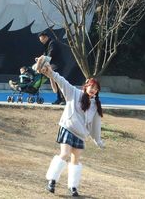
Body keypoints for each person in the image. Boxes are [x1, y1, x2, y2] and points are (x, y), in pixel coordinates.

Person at [36, 56, 105, 197]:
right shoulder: (74, 93)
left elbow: (95, 125)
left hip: (80, 134)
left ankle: (73, 187)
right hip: (68, 127)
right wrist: (50, 72)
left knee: (76, 160)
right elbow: (61, 81)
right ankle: (52, 181)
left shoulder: (95, 105)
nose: (93, 90)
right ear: (86, 87)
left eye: (96, 89)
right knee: (65, 154)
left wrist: (98, 140)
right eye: (92, 87)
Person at [38, 31, 65, 105]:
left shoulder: (52, 43)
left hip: (57, 65)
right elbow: (45, 55)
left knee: (58, 82)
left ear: (46, 37)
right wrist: (39, 60)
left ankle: (63, 99)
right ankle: (59, 99)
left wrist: (42, 64)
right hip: (53, 65)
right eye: (40, 40)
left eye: (42, 40)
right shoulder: (47, 44)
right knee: (55, 82)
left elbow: (50, 55)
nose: (42, 42)